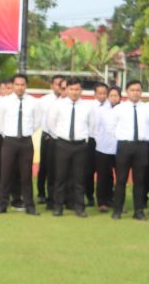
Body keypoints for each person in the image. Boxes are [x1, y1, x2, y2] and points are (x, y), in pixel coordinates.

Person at [0, 73, 40, 215]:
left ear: (26, 86)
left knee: (26, 175)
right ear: (12, 86)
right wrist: (7, 133)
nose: (20, 87)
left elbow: (37, 121)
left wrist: (27, 132)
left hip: (26, 141)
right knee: (5, 174)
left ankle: (29, 205)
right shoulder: (5, 102)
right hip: (9, 141)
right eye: (17, 84)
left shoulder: (33, 102)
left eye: (22, 85)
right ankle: (2, 205)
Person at [46, 78, 94, 217]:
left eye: (77, 89)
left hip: (80, 145)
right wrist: (60, 136)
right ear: (66, 90)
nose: (74, 92)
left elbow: (92, 126)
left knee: (79, 178)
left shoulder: (87, 107)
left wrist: (83, 137)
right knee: (60, 177)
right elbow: (51, 123)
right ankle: (58, 207)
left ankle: (79, 207)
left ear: (81, 90)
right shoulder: (58, 105)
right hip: (63, 144)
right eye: (71, 89)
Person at [111, 80, 149, 220]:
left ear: (141, 92)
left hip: (142, 146)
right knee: (121, 179)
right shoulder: (119, 109)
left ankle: (138, 211)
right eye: (132, 90)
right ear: (127, 91)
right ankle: (117, 210)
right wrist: (121, 138)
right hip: (124, 146)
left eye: (138, 90)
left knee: (139, 180)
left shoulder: (147, 109)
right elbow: (111, 127)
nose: (135, 93)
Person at [0, 78, 22, 209]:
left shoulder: (18, 102)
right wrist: (1, 132)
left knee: (15, 168)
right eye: (5, 88)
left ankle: (16, 198)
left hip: (14, 138)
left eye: (10, 88)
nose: (8, 91)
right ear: (1, 89)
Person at [37, 75, 66, 205]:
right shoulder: (44, 100)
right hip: (47, 136)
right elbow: (39, 119)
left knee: (59, 168)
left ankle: (58, 196)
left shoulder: (67, 101)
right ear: (52, 85)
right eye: (57, 84)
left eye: (62, 84)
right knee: (45, 166)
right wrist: (48, 132)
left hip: (62, 138)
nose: (59, 87)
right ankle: (42, 193)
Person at [93, 86, 121, 213]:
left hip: (120, 148)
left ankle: (113, 199)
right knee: (103, 175)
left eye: (116, 95)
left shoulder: (124, 109)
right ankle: (102, 202)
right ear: (108, 97)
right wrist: (99, 141)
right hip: (103, 148)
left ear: (120, 97)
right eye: (112, 95)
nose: (114, 98)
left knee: (118, 176)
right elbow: (95, 128)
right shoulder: (101, 110)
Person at [84, 82, 109, 207]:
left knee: (104, 172)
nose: (102, 95)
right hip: (92, 141)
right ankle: (89, 196)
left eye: (104, 93)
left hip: (106, 142)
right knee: (89, 171)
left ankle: (105, 198)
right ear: (95, 94)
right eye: (100, 93)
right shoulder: (89, 107)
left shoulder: (111, 107)